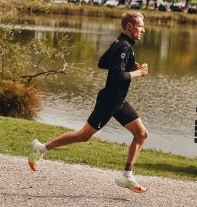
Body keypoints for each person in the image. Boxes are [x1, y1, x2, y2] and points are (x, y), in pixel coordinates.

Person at [28, 11, 149, 193]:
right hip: (109, 101)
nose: (143, 30)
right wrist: (138, 73)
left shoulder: (119, 44)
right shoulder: (124, 46)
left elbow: (103, 62)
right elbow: (116, 77)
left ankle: (127, 175)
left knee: (141, 134)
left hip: (118, 101)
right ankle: (41, 148)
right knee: (83, 136)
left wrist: (128, 67)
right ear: (129, 27)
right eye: (140, 26)